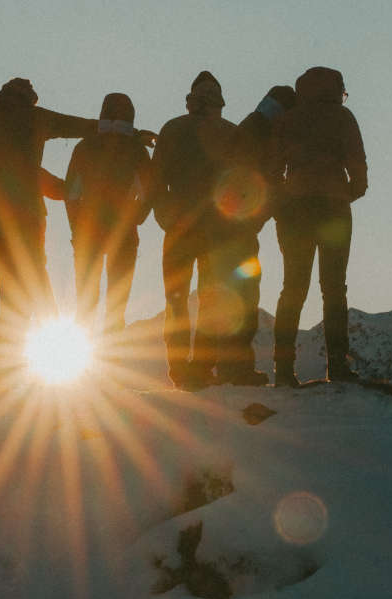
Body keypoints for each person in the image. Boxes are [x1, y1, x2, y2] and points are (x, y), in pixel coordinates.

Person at [0, 78, 99, 384]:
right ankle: (3, 369)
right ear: (30, 99)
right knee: (22, 297)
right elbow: (80, 126)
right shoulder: (36, 118)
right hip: (27, 221)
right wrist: (123, 129)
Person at [271, 66, 367, 387]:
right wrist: (345, 192)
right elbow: (358, 169)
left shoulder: (289, 118)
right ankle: (337, 367)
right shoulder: (343, 118)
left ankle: (284, 371)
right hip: (334, 209)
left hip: (295, 209)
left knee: (293, 287)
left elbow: (272, 166)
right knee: (334, 287)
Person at [203, 85, 298, 386]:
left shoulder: (251, 126)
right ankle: (235, 369)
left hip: (226, 228)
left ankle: (221, 367)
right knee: (242, 297)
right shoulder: (259, 133)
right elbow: (255, 182)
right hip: (235, 230)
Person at [152, 71, 236, 390]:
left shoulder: (172, 129)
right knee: (211, 299)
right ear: (219, 101)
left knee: (175, 301)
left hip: (178, 227)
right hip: (217, 229)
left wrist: (164, 216)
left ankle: (178, 371)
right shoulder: (230, 132)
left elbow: (156, 180)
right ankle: (201, 367)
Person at [63, 93, 154, 337]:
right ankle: (113, 359)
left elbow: (70, 194)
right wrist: (136, 219)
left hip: (87, 233)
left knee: (85, 302)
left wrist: (75, 228)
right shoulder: (137, 150)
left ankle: (84, 368)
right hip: (124, 234)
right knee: (117, 304)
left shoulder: (84, 147)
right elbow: (149, 193)